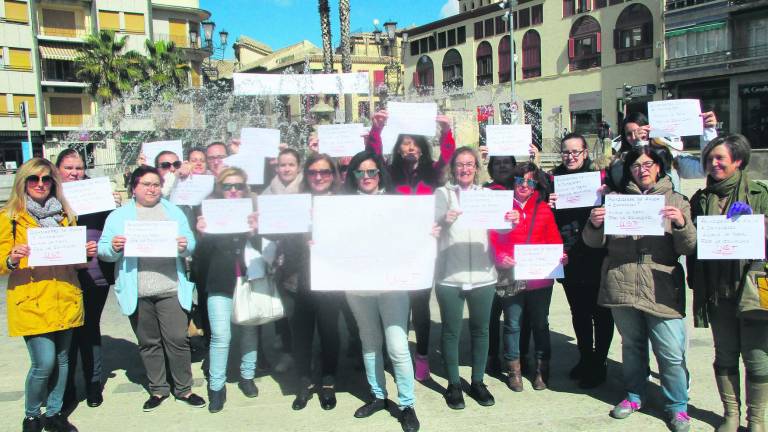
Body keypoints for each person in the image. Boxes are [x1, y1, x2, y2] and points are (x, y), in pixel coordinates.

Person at [584, 146, 696, 432]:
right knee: (632, 346)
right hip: (622, 281)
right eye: (636, 165)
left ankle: (678, 406)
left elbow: (689, 246)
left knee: (670, 351)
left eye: (648, 164)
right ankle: (634, 395)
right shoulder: (617, 200)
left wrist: (681, 224)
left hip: (661, 285)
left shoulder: (677, 200)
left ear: (659, 167)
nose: (642, 169)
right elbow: (594, 242)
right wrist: (595, 224)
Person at [98, 166, 206, 412]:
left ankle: (184, 388)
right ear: (134, 188)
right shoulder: (119, 216)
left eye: (156, 184)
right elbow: (104, 252)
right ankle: (158, 389)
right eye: (146, 184)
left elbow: (190, 244)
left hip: (170, 286)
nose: (152, 189)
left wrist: (184, 245)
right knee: (148, 343)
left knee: (178, 339)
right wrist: (114, 247)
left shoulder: (173, 212)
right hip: (138, 289)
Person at [1, 157, 97, 432]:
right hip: (33, 299)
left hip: (64, 296)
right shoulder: (10, 218)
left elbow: (75, 262)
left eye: (46, 179)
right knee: (44, 362)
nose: (40, 184)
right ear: (23, 182)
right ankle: (32, 414)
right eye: (34, 179)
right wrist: (11, 258)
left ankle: (55, 414)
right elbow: (0, 261)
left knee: (64, 360)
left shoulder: (66, 215)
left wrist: (84, 253)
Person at [366, 110, 456, 381]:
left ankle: (422, 357)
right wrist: (376, 130)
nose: (411, 147)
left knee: (420, 306)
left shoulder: (433, 172)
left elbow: (448, 158)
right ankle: (398, 353)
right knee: (397, 305)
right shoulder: (390, 172)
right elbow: (373, 157)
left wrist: (446, 132)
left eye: (415, 143)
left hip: (425, 248)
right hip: (396, 247)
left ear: (422, 148)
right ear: (399, 147)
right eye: (405, 143)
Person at [688, 134, 768, 432]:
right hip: (717, 289)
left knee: (757, 357)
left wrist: (758, 222)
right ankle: (731, 415)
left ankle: (756, 419)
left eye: (720, 158)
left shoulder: (759, 194)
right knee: (725, 354)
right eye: (710, 158)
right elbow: (691, 243)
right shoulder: (701, 198)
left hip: (753, 286)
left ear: (738, 161)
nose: (714, 163)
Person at [342, 150, 421, 432]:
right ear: (352, 175)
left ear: (380, 174)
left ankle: (407, 403)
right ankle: (378, 396)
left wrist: (429, 232)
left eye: (371, 171)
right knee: (370, 343)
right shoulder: (341, 206)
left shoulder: (395, 203)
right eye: (360, 172)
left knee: (398, 346)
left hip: (392, 285)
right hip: (358, 286)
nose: (366, 177)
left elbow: (413, 236)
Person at [489, 162, 564, 392]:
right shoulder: (502, 207)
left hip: (540, 278)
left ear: (535, 186)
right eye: (520, 180)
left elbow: (554, 239)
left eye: (529, 181)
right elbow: (492, 238)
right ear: (513, 182)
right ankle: (514, 369)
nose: (524, 185)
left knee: (540, 324)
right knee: (512, 325)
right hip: (511, 274)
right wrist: (500, 257)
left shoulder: (543, 209)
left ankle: (542, 369)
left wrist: (561, 255)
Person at [547, 133, 613, 389]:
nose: (571, 157)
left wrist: (605, 197)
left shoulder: (600, 180)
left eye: (576, 152)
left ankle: (600, 361)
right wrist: (548, 203)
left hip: (596, 253)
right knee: (579, 312)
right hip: (569, 255)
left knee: (601, 312)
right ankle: (585, 357)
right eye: (566, 152)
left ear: (585, 153)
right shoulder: (554, 180)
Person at [434, 147, 498, 409]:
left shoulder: (487, 195)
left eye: (469, 164)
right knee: (451, 330)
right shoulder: (442, 194)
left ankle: (478, 381)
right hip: (450, 274)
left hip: (484, 274)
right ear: (453, 168)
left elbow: (501, 229)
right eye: (460, 164)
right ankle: (454, 384)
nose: (465, 169)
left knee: (481, 330)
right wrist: (443, 219)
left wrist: (511, 218)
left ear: (477, 167)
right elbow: (431, 229)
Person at [57, 149, 120, 410]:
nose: (75, 173)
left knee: (89, 328)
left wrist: (114, 206)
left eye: (79, 168)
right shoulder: (51, 194)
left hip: (94, 272)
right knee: (66, 332)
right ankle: (68, 386)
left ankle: (94, 385)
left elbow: (114, 226)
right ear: (58, 168)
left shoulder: (97, 194)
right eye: (69, 168)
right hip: (62, 274)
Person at [281, 153, 343, 411]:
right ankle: (304, 382)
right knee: (301, 335)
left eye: (325, 172)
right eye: (313, 172)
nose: (319, 177)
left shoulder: (343, 203)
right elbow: (281, 241)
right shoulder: (295, 202)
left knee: (330, 331)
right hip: (299, 278)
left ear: (333, 175)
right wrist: (301, 237)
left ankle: (328, 380)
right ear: (306, 175)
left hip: (330, 279)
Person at [195, 167, 260, 413]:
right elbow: (199, 258)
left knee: (249, 330)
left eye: (238, 186)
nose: (233, 191)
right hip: (219, 281)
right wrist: (202, 235)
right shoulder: (209, 212)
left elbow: (266, 249)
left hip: (248, 278)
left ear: (245, 188)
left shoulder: (253, 212)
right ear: (220, 189)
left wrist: (255, 232)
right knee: (221, 335)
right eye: (227, 186)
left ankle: (247, 376)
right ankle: (216, 386)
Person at [261, 148, 303, 373]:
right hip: (280, 260)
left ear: (299, 167)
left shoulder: (306, 188)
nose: (286, 169)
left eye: (291, 164)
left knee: (303, 314)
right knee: (286, 310)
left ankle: (306, 352)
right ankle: (289, 352)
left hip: (305, 260)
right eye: (282, 165)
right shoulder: (269, 192)